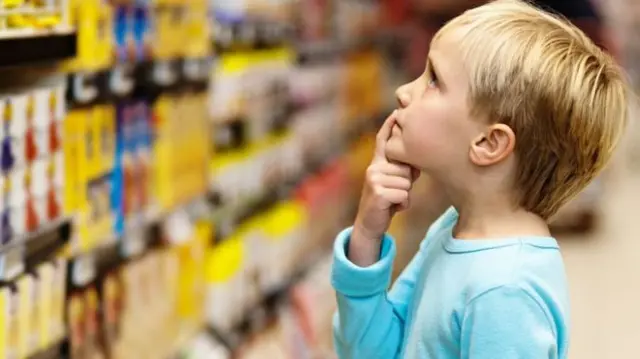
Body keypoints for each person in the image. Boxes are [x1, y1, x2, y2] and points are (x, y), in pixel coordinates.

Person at [331, 1, 630, 358]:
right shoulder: (455, 229)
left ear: (489, 143)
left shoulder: (504, 290)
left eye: (434, 80)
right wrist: (366, 236)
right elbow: (373, 351)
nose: (404, 91)